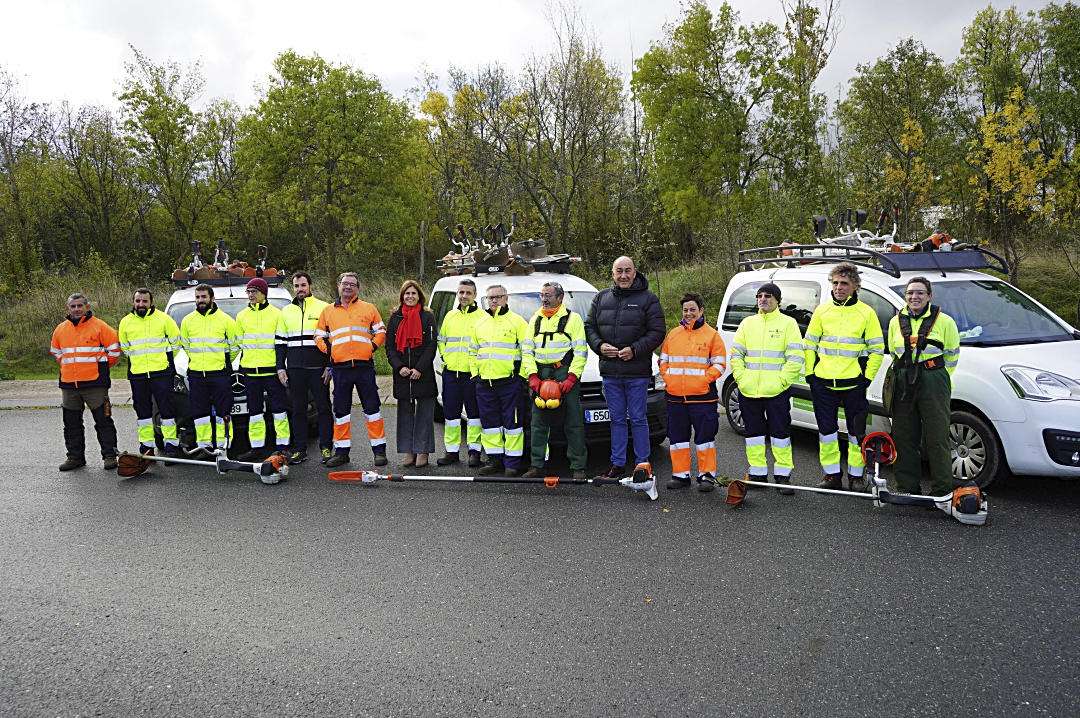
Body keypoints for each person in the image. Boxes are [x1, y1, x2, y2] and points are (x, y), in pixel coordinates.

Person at [803, 263, 885, 491]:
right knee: (827, 432)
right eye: (836, 283)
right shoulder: (822, 310)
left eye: (844, 284)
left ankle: (856, 477)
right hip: (823, 383)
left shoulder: (866, 313)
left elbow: (877, 349)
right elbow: (809, 345)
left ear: (855, 286)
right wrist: (810, 373)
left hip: (854, 384)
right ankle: (831, 475)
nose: (839, 287)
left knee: (856, 433)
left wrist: (866, 378)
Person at [584, 256, 665, 479]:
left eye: (627, 270)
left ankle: (642, 464)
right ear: (612, 273)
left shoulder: (648, 299)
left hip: (637, 372)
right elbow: (589, 327)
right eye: (619, 271)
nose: (623, 275)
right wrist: (600, 346)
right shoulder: (601, 298)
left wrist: (635, 349)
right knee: (617, 419)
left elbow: (657, 332)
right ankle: (617, 465)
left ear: (635, 271)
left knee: (638, 418)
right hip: (610, 372)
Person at [887, 276, 960, 496]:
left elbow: (952, 355)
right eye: (910, 293)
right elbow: (894, 351)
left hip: (933, 379)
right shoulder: (895, 322)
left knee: (937, 437)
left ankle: (942, 490)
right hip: (904, 380)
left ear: (929, 296)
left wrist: (936, 376)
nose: (914, 297)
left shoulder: (945, 321)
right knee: (904, 435)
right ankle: (907, 488)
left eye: (919, 292)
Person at [729, 283, 804, 494]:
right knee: (753, 435)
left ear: (777, 300)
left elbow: (796, 358)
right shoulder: (747, 323)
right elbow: (736, 356)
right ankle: (758, 474)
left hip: (777, 391)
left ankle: (782, 476)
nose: (763, 299)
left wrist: (781, 382)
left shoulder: (788, 324)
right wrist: (742, 379)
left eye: (768, 296)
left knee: (780, 434)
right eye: (759, 296)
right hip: (749, 390)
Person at [316, 272, 387, 468]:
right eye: (345, 284)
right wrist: (330, 351)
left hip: (364, 367)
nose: (348, 287)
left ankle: (379, 451)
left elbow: (381, 331)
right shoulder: (328, 311)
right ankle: (341, 453)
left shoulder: (369, 308)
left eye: (352, 285)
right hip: (340, 369)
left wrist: (371, 347)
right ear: (339, 286)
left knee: (372, 410)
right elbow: (319, 336)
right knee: (341, 412)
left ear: (358, 288)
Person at [521, 281, 589, 480]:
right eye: (542, 294)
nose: (544, 298)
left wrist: (572, 377)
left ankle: (578, 466)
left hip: (564, 372)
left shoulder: (572, 319)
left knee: (573, 421)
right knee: (538, 422)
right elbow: (527, 351)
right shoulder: (535, 319)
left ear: (560, 298)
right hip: (540, 373)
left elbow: (581, 351)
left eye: (549, 295)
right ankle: (536, 465)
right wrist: (531, 376)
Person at [659, 293, 727, 492]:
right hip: (675, 398)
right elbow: (663, 360)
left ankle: (706, 476)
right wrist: (669, 378)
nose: (688, 313)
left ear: (701, 311)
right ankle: (680, 475)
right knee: (677, 438)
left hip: (703, 397)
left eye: (692, 310)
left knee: (705, 438)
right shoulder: (673, 334)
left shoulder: (712, 335)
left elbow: (720, 364)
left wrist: (703, 380)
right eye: (685, 310)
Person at [49, 292, 121, 471]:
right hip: (69, 384)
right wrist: (69, 367)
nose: (76, 309)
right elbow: (56, 352)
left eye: (80, 306)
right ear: (68, 308)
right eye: (73, 306)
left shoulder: (100, 326)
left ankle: (110, 456)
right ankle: (75, 457)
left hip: (95, 383)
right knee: (71, 423)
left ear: (86, 307)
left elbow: (114, 351)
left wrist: (100, 368)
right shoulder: (61, 329)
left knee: (103, 421)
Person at [470, 284, 531, 476]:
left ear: (506, 298)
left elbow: (527, 351)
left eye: (498, 297)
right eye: (490, 298)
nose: (494, 300)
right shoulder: (480, 323)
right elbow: (473, 351)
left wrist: (522, 377)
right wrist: (475, 374)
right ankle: (494, 460)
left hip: (509, 383)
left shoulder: (518, 322)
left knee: (512, 424)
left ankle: (512, 463)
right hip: (485, 383)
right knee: (490, 424)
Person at [276, 271, 333, 465]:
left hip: (318, 368)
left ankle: (326, 447)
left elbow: (331, 340)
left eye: (303, 285)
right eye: (297, 286)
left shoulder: (323, 308)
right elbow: (280, 342)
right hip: (295, 369)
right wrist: (280, 368)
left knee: (324, 408)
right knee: (298, 410)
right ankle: (300, 449)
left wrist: (329, 365)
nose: (300, 289)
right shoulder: (285, 311)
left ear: (310, 286)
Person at [117, 288, 181, 457]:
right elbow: (125, 347)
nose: (141, 304)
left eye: (145, 301)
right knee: (143, 412)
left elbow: (176, 343)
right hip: (138, 375)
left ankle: (171, 446)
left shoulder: (164, 319)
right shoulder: (125, 322)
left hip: (161, 373)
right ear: (133, 302)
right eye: (138, 301)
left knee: (167, 410)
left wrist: (165, 361)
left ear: (151, 302)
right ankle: (147, 447)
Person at [179, 284, 239, 456]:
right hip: (197, 374)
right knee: (200, 413)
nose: (200, 300)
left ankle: (223, 446)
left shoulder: (226, 320)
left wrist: (223, 363)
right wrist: (197, 362)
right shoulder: (187, 320)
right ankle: (204, 446)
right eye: (197, 297)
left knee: (223, 412)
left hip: (220, 373)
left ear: (212, 298)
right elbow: (186, 345)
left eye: (204, 297)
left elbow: (234, 347)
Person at [235, 277, 289, 461]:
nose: (250, 295)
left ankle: (282, 447)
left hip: (271, 372)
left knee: (279, 411)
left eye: (254, 291)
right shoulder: (241, 316)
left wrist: (281, 367)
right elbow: (238, 344)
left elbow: (282, 343)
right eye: (248, 292)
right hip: (250, 373)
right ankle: (256, 448)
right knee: (255, 413)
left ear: (263, 293)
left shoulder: (277, 314)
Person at [385, 280, 438, 467]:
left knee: (424, 415)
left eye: (413, 293)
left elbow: (432, 346)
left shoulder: (427, 317)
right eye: (407, 294)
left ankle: (422, 452)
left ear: (419, 296)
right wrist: (399, 367)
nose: (410, 297)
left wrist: (419, 369)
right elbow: (390, 347)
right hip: (403, 375)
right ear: (402, 296)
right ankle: (408, 451)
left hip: (422, 374)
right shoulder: (395, 318)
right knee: (405, 415)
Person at [436, 279, 484, 467]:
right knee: (451, 415)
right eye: (461, 292)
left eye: (468, 293)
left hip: (471, 375)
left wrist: (477, 368)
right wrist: (446, 359)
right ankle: (452, 451)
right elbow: (442, 340)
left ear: (475, 295)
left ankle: (474, 451)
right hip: (451, 373)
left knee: (474, 415)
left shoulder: (482, 317)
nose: (464, 296)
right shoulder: (450, 316)